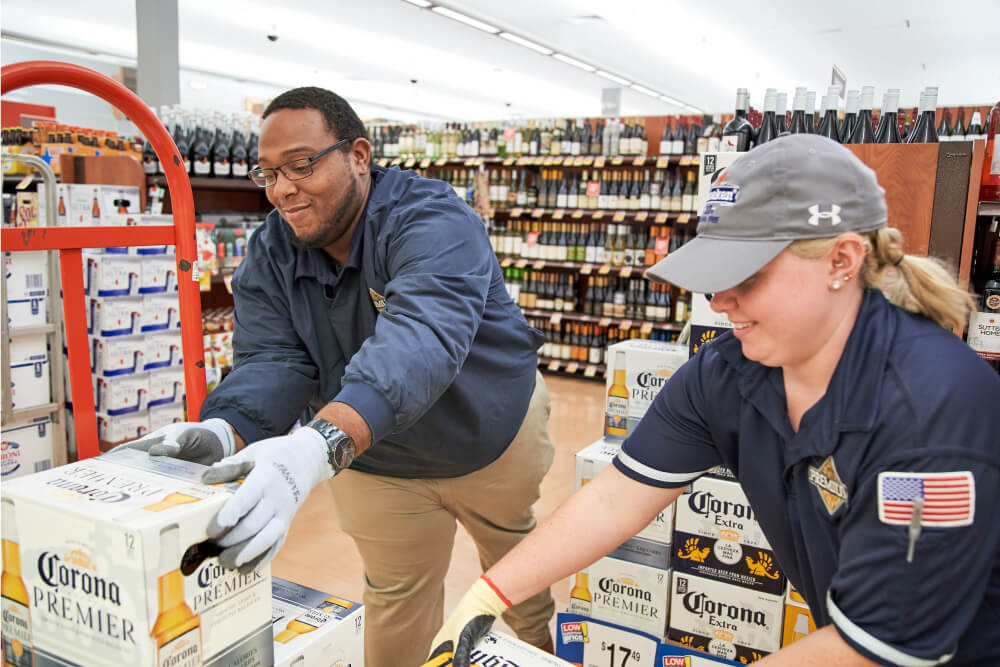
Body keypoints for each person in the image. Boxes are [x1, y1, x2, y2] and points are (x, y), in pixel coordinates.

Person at [431, 134, 1000, 667]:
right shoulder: (730, 371)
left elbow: (873, 651)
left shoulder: (933, 407)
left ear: (841, 261)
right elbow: (616, 500)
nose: (721, 301)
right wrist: (485, 596)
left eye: (747, 278)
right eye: (712, 278)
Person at [123, 86, 555, 667]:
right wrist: (228, 428)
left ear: (358, 155)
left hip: (486, 434)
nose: (282, 189)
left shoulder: (431, 219)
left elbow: (422, 338)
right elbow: (274, 358)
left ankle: (542, 646)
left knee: (516, 577)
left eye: (301, 164)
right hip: (373, 460)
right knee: (396, 597)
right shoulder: (271, 250)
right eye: (268, 173)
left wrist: (316, 446)